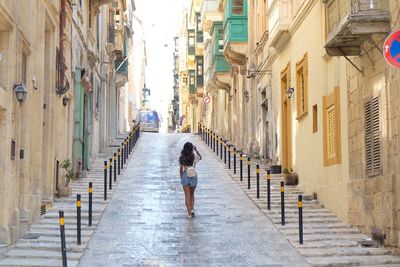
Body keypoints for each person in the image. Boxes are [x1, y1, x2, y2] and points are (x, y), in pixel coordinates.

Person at [179, 142, 202, 218]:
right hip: (193, 175)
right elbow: (200, 157)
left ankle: (189, 213)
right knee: (192, 194)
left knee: (187, 195)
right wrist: (196, 149)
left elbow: (181, 170)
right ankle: (192, 209)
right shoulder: (194, 156)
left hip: (185, 175)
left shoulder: (182, 157)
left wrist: (182, 178)